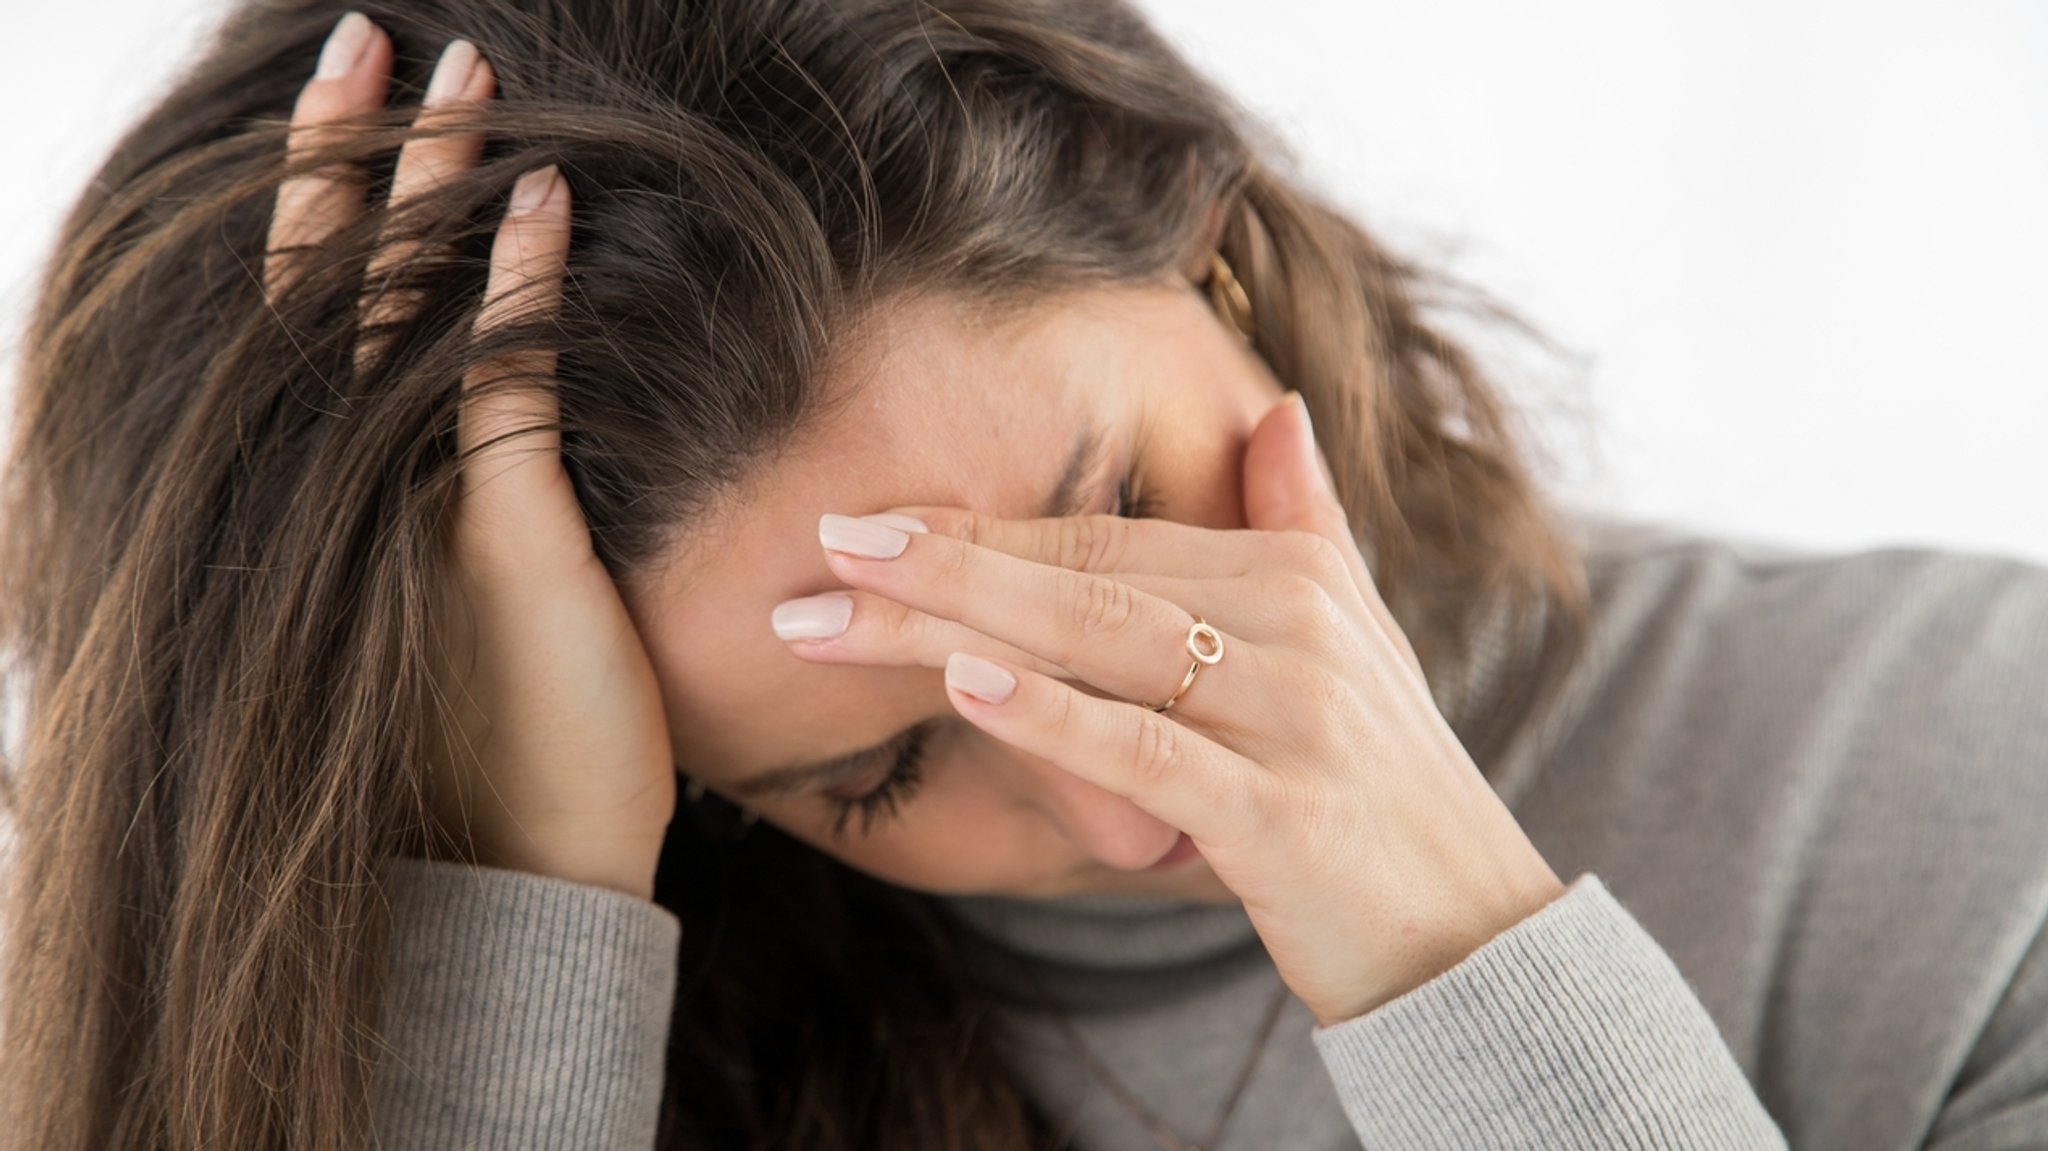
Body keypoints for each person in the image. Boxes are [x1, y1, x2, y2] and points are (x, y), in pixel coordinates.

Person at [2, 1, 2044, 1148]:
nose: (1109, 791)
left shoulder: (1971, 782)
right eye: (873, 777)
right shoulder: (596, 975)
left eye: (1100, 536)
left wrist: (1455, 951)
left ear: (1203, 242)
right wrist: (504, 902)